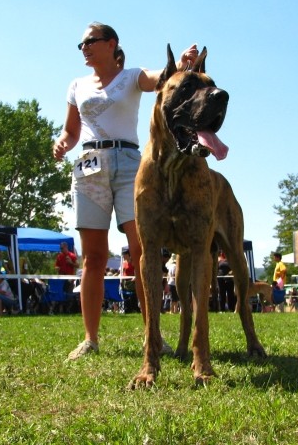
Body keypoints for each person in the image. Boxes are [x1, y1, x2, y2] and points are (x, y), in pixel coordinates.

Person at [52, 22, 198, 360]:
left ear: (111, 43)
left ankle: (154, 337)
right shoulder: (77, 85)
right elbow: (70, 132)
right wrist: (62, 143)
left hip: (131, 164)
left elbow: (160, 77)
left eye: (91, 41)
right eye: (81, 44)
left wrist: (183, 64)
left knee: (143, 250)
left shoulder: (131, 76)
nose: (84, 47)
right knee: (93, 258)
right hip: (90, 166)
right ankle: (90, 339)